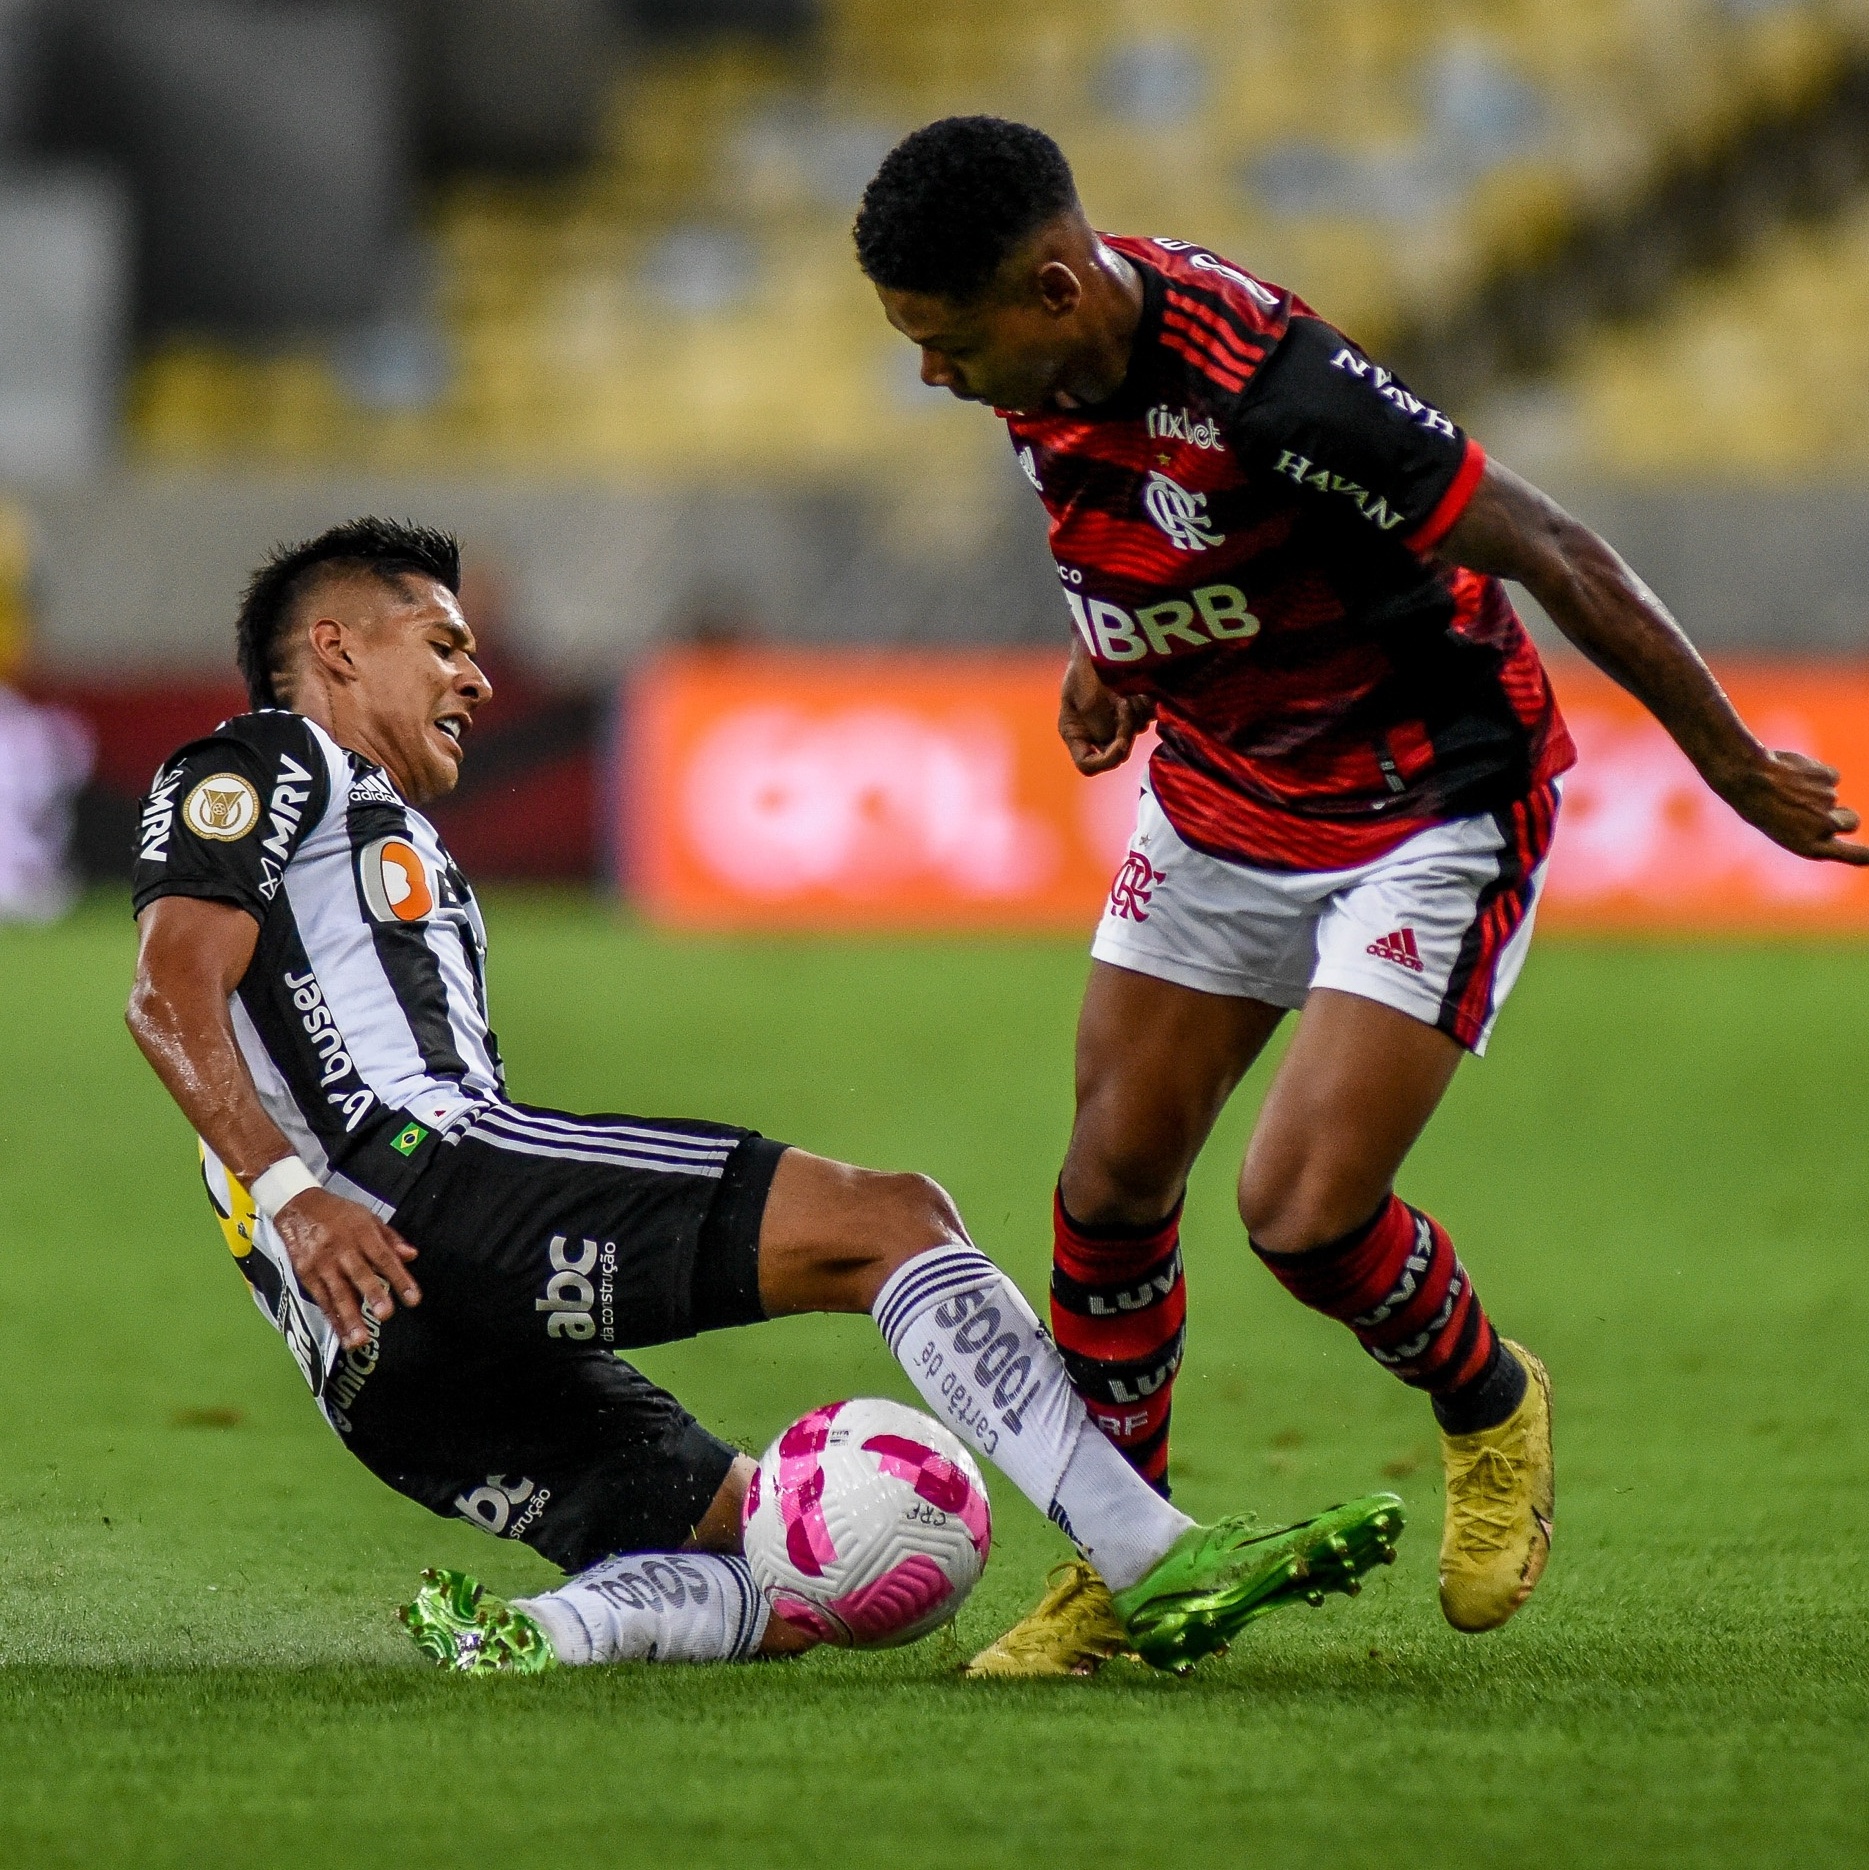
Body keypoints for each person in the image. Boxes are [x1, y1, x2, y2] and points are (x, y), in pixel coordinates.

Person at [853, 117, 1869, 1674]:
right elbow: (1150, 534)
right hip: (1220, 789)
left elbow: (1550, 544)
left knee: (1301, 1212)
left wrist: (1730, 766)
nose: (935, 376)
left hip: (1428, 804)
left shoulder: (1270, 386)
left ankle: (1491, 1402)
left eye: (947, 343)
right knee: (1110, 1179)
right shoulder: (1041, 366)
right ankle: (1129, 1570)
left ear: (1056, 289)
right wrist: (1112, 657)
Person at [125, 517, 1405, 1678]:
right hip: (420, 1189)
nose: (477, 675)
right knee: (895, 1221)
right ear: (335, 651)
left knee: (770, 1555)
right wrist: (298, 1193)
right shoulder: (269, 754)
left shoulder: (377, 833)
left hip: (375, 1366)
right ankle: (1151, 1557)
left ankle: (531, 1640)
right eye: (442, 643)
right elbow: (166, 987)